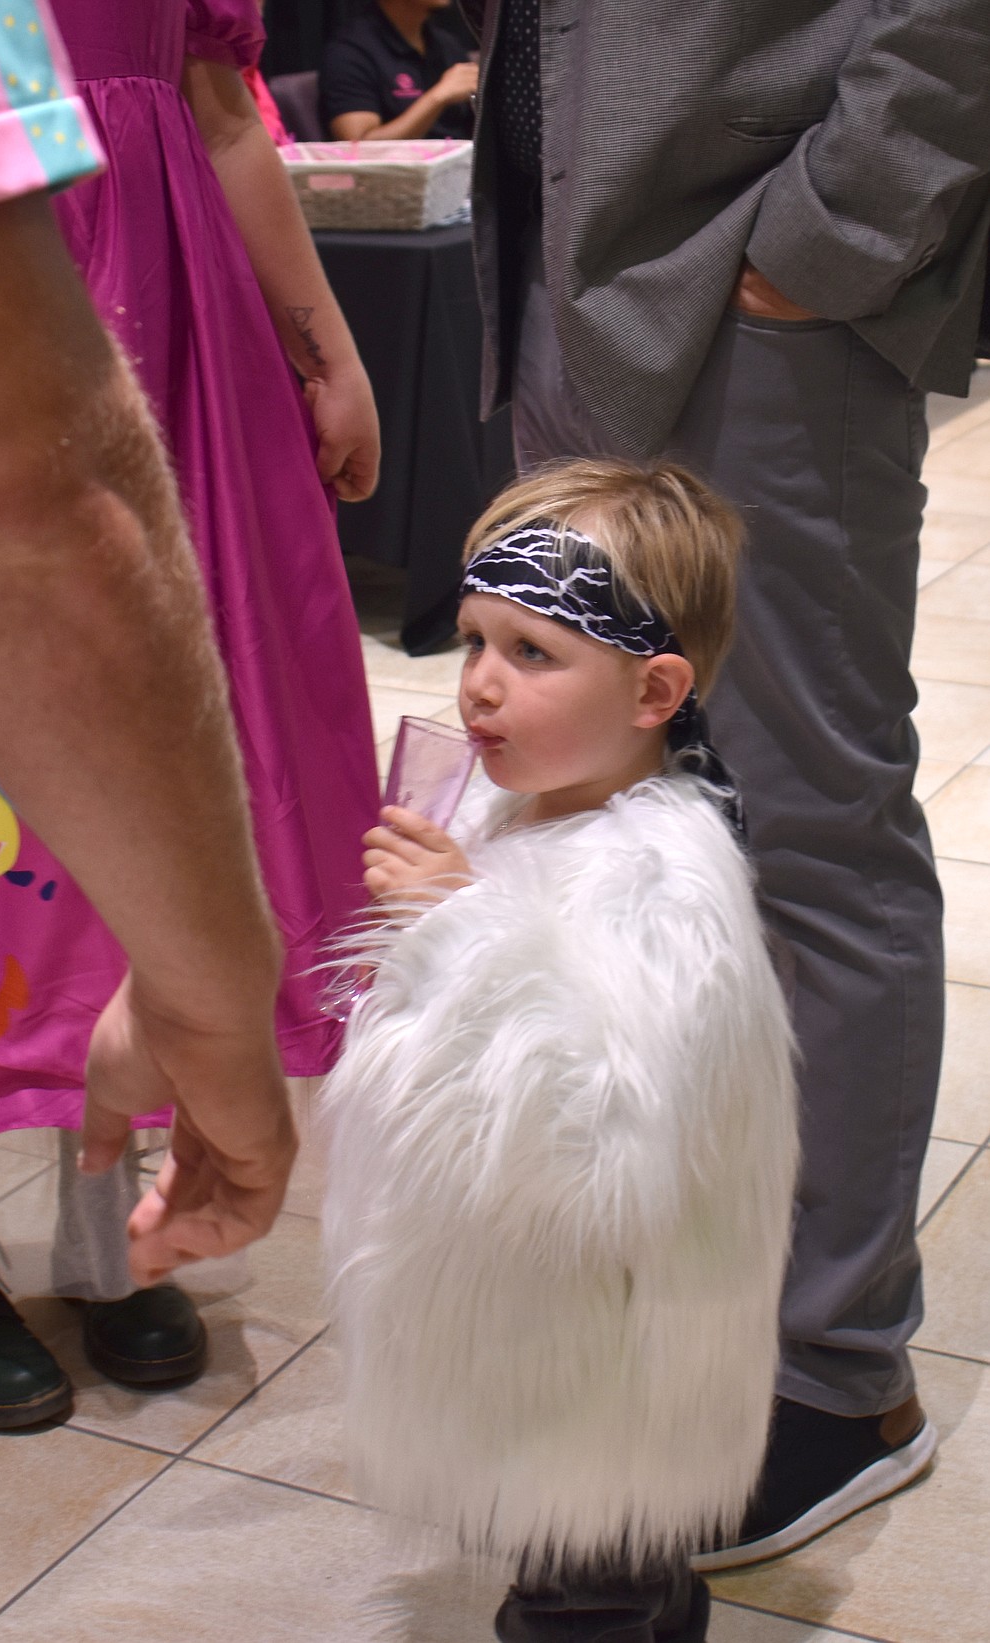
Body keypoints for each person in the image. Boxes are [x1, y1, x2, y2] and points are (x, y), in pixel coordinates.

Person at [462, 0, 990, 1567]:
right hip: (570, 273)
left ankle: (835, 1375)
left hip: (751, 280)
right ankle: (689, 1304)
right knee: (624, 811)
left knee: (810, 832)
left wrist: (830, 243)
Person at [0, 0, 381, 1432]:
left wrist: (319, 342)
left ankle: (110, 1215)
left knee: (153, 759)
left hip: (167, 309)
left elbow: (217, 103)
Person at [322, 460, 799, 1643]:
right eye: (474, 638)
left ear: (655, 688)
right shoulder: (523, 804)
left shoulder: (665, 880)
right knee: (588, 1568)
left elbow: (611, 1147)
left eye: (533, 653)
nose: (480, 684)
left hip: (606, 1365)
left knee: (583, 1592)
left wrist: (462, 929)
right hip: (528, 1323)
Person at [320, 0, 478, 142]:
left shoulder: (447, 45)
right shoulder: (349, 52)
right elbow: (359, 147)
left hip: (459, 166)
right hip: (401, 172)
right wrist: (438, 97)